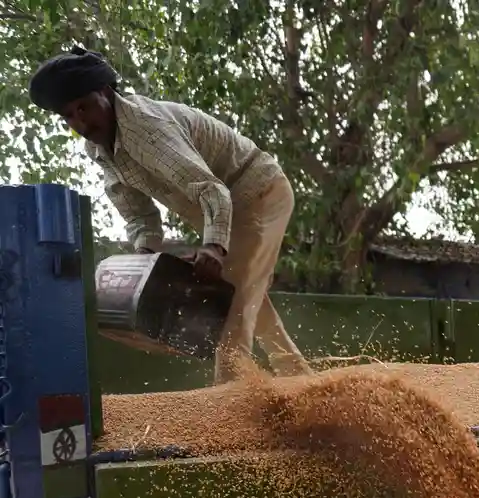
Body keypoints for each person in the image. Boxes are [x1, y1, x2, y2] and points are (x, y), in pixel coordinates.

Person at [29, 47, 312, 384]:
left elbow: (212, 190)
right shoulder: (102, 149)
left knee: (235, 303)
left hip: (258, 193)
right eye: (69, 116)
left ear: (106, 93)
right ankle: (300, 378)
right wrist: (143, 259)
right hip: (221, 207)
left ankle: (230, 401)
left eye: (84, 108)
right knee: (248, 298)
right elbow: (139, 217)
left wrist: (213, 248)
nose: (80, 123)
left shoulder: (146, 130)